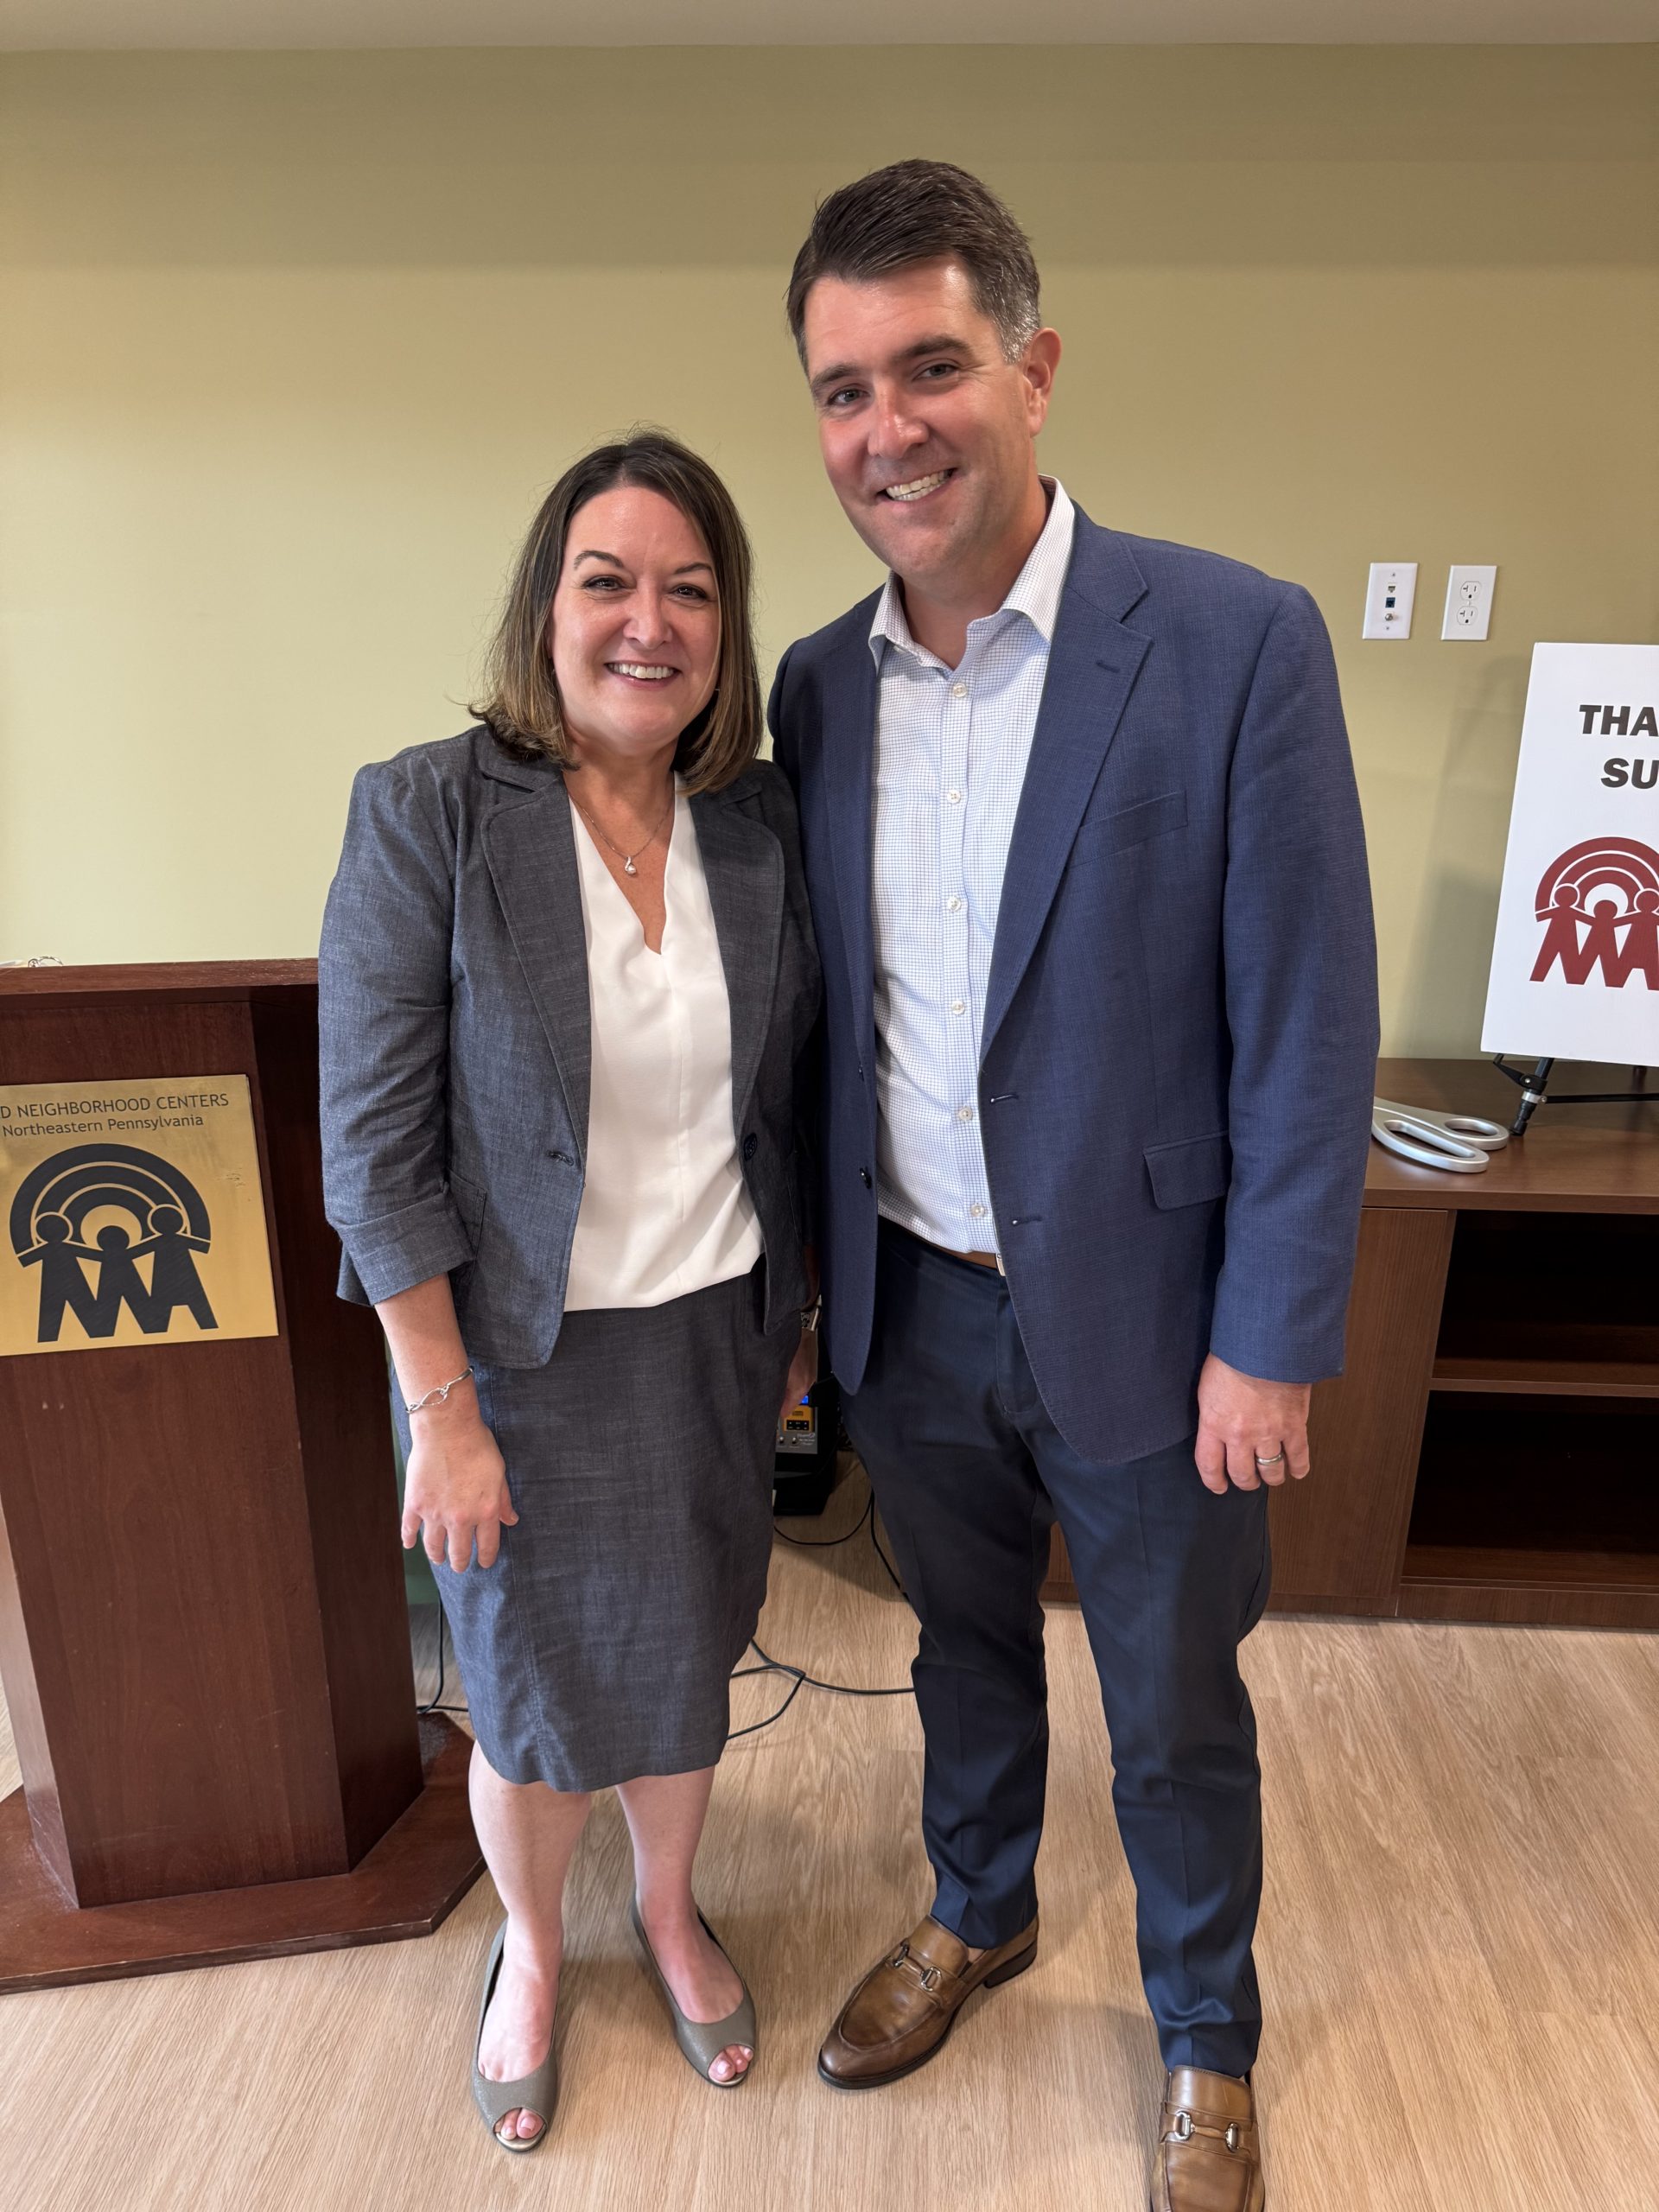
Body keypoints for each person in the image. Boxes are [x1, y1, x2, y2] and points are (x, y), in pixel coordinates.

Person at [770, 162, 1377, 2212]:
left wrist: (1271, 1338)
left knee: (1176, 1701)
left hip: (1156, 1315)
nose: (889, 428)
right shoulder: (816, 686)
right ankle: (982, 1904)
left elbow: (1309, 1023)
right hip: (913, 1304)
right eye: (844, 389)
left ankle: (1207, 2028)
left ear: (1033, 370)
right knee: (960, 1649)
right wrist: (809, 1303)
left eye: (931, 367)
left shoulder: (1231, 640)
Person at [319, 431, 820, 2152]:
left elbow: (788, 1102)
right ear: (548, 606)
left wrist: (800, 1324)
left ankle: (667, 1910)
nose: (647, 622)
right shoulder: (431, 812)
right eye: (608, 581)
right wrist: (442, 1412)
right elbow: (375, 1147)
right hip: (509, 1365)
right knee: (529, 1698)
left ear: (726, 627)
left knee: (682, 1666)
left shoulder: (757, 825)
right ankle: (533, 1949)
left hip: (711, 1337)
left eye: (691, 588)